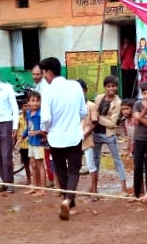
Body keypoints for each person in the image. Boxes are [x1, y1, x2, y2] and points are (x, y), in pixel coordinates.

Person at [39, 56, 87, 220]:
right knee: (74, 170)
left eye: (44, 73)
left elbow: (45, 118)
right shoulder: (75, 86)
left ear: (49, 73)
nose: (44, 77)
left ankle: (67, 200)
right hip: (74, 135)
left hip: (56, 137)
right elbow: (83, 112)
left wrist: (45, 130)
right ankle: (68, 201)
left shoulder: (47, 91)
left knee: (61, 170)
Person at [90, 75, 130, 195]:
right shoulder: (98, 98)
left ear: (116, 87)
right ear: (105, 87)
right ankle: (94, 188)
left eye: (113, 86)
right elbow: (93, 113)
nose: (111, 88)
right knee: (95, 160)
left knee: (117, 160)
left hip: (109, 134)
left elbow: (112, 124)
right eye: (108, 86)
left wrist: (98, 117)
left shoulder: (118, 102)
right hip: (96, 133)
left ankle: (123, 188)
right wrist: (100, 117)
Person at [130, 82, 147, 198]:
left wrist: (140, 117)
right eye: (144, 93)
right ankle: (137, 192)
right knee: (137, 166)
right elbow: (136, 121)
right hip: (139, 138)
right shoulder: (138, 104)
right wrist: (145, 109)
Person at [23, 92, 48, 196]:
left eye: (38, 101)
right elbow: (28, 127)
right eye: (33, 101)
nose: (36, 103)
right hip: (31, 142)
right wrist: (23, 136)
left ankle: (43, 189)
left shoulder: (41, 114)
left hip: (39, 143)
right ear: (28, 102)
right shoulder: (28, 113)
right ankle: (35, 186)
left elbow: (45, 129)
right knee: (33, 164)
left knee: (40, 164)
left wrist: (37, 132)